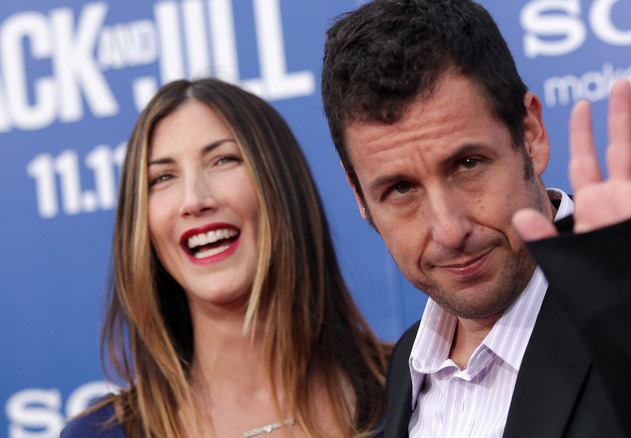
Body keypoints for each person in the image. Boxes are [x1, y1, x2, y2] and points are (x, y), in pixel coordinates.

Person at [321, 0, 631, 437]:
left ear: (531, 134)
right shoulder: (405, 363)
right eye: (400, 189)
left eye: (468, 164)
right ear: (359, 195)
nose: (449, 230)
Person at [60, 78, 389, 437]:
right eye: (163, 177)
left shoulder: (417, 384)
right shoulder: (97, 433)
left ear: (282, 184)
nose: (194, 199)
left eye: (223, 159)